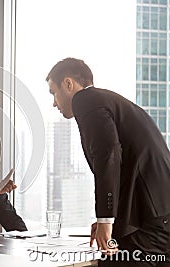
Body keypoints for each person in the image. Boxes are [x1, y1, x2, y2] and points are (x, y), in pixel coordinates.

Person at [46, 57, 170, 266]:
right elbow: (125, 162)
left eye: (54, 93)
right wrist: (110, 219)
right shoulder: (109, 101)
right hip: (159, 214)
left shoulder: (85, 100)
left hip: (147, 220)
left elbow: (108, 156)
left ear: (68, 84)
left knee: (113, 259)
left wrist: (106, 219)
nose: (54, 103)